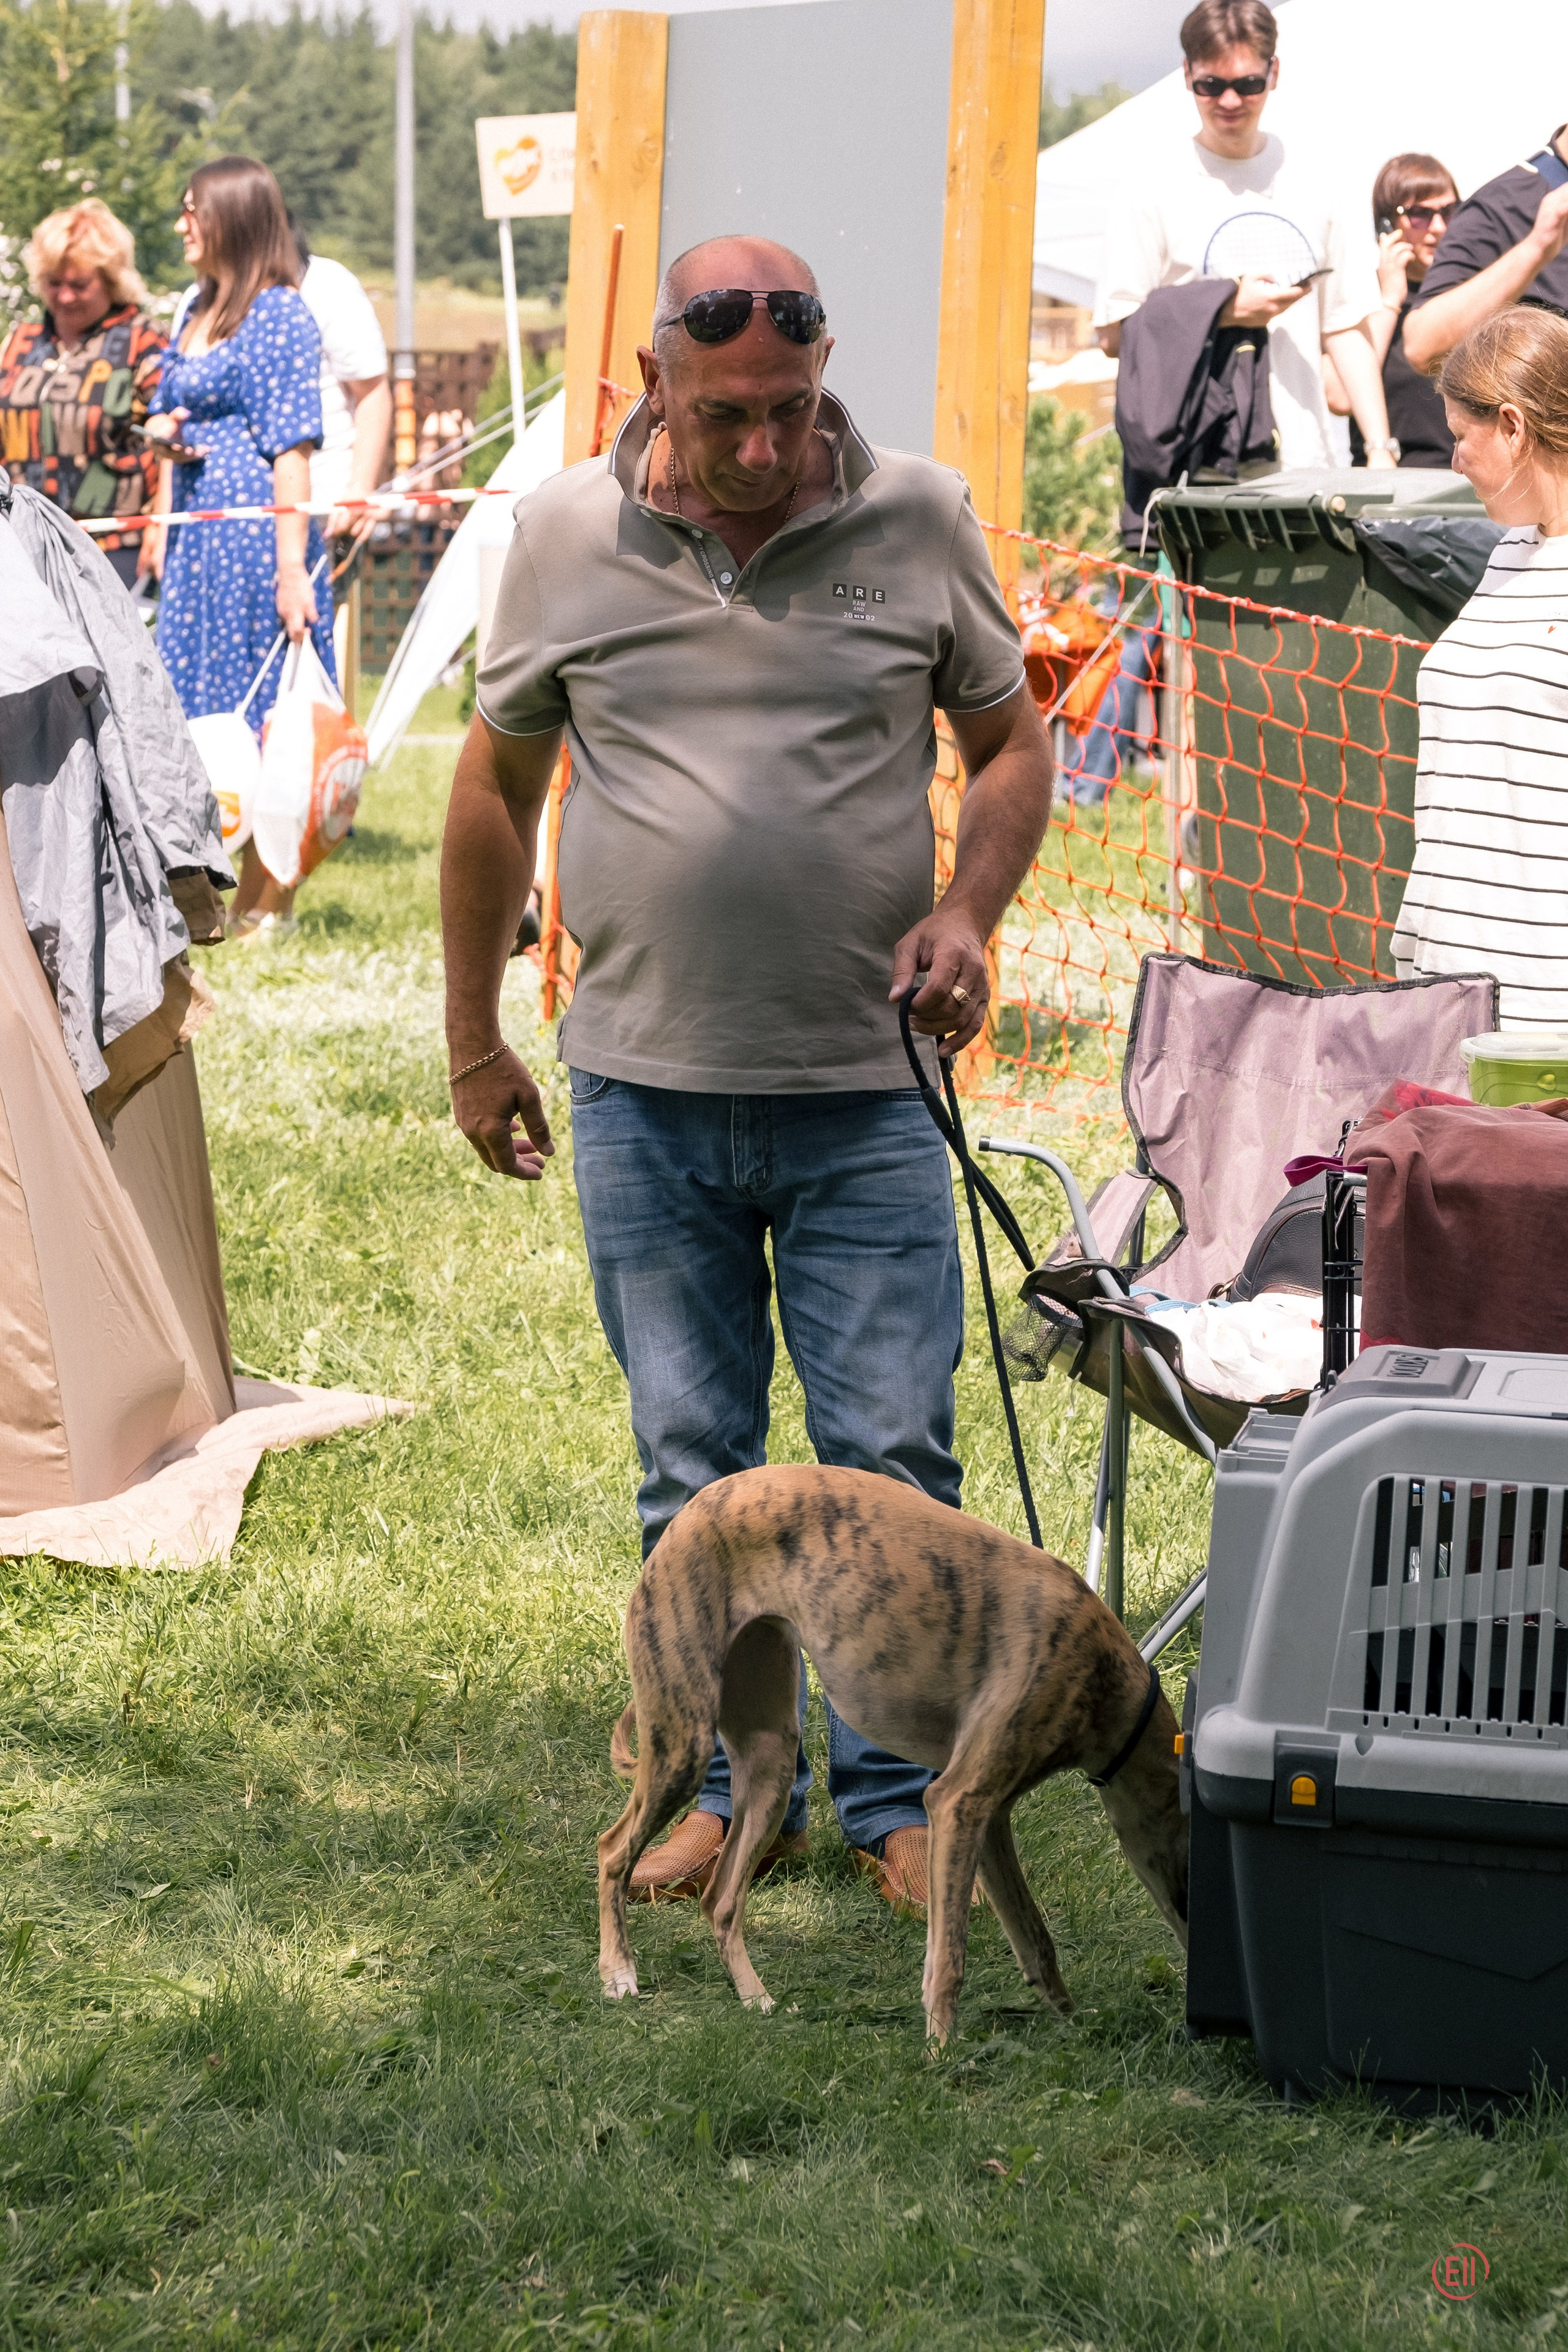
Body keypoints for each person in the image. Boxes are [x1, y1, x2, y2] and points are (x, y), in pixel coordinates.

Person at [441, 234, 1054, 1909]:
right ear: (658, 383)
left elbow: (1012, 747)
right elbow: (493, 790)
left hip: (864, 1094)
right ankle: (722, 1785)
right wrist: (474, 1037)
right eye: (731, 416)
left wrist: (969, 910)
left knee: (888, 1465)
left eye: (793, 407)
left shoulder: (918, 516)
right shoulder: (562, 533)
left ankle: (901, 1799)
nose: (769, 447)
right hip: (643, 1090)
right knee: (693, 1467)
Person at [144, 156, 333, 944]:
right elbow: (165, 408)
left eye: (194, 211)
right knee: (196, 712)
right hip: (197, 542)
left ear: (232, 218)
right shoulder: (197, 305)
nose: (182, 224)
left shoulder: (280, 314)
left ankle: (270, 904)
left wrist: (293, 570)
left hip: (257, 542)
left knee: (267, 715)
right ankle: (215, 896)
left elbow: (292, 450)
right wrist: (160, 509)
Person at [1095, 0, 1397, 472]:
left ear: (1274, 73)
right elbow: (1115, 333)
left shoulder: (1322, 180)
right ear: (1186, 74)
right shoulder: (1149, 187)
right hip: (1195, 470)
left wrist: (1381, 447)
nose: (1230, 101)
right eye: (1211, 85)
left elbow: (1345, 324)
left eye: (1247, 84)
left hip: (1307, 465)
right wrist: (1224, 309)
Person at [1390, 308, 1568, 1025]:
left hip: (1543, 1006)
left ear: (1514, 426)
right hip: (1450, 984)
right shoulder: (1510, 553)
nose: (1455, 460)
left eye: (1462, 437)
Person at [0, 199, 167, 592]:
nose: (65, 297)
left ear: (111, 280)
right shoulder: (20, 341)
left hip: (114, 545)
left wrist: (161, 525)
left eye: (80, 285)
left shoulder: (142, 339)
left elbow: (171, 444)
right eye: (54, 283)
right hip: (25, 541)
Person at [1327, 156, 1459, 471]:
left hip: (1465, 486)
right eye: (1419, 215)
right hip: (1391, 489)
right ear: (1387, 225)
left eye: (1450, 211)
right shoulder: (1358, 302)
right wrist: (1389, 301)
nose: (1439, 228)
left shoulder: (1468, 297)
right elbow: (1342, 397)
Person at [1403, 127, 1568, 379]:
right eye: (1420, 214)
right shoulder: (1501, 206)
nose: (1437, 227)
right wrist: (1537, 247)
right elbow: (1422, 348)